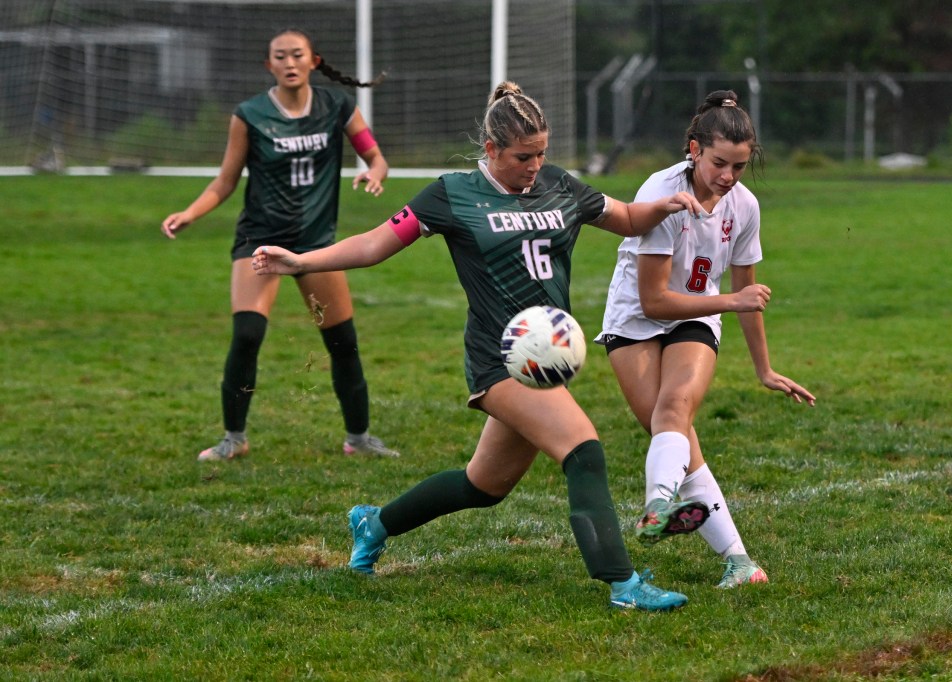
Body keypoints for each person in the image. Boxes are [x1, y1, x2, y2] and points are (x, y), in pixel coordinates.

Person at [252, 81, 713, 611]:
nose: (535, 165)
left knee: (484, 486)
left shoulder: (560, 184)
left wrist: (667, 205)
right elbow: (375, 244)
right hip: (501, 361)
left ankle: (374, 523)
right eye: (523, 156)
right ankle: (623, 583)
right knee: (584, 450)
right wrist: (302, 261)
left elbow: (628, 218)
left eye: (542, 152)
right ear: (491, 150)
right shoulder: (452, 194)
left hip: (545, 361)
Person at [597, 90, 816, 589]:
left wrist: (764, 369)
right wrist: (731, 301)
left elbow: (746, 292)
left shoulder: (745, 206)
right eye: (719, 163)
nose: (728, 176)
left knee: (674, 410)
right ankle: (741, 563)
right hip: (635, 318)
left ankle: (657, 507)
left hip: (695, 318)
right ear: (693, 149)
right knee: (674, 435)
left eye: (739, 166)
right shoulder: (662, 191)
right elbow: (654, 302)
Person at [161, 29, 398, 461]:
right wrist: (190, 213)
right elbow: (225, 180)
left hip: (316, 245)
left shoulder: (337, 105)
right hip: (260, 241)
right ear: (268, 65)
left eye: (297, 55)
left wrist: (375, 173)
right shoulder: (249, 115)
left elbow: (376, 157)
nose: (289, 62)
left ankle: (359, 439)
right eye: (280, 57)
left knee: (342, 341)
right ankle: (234, 438)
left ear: (313, 61)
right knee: (247, 334)